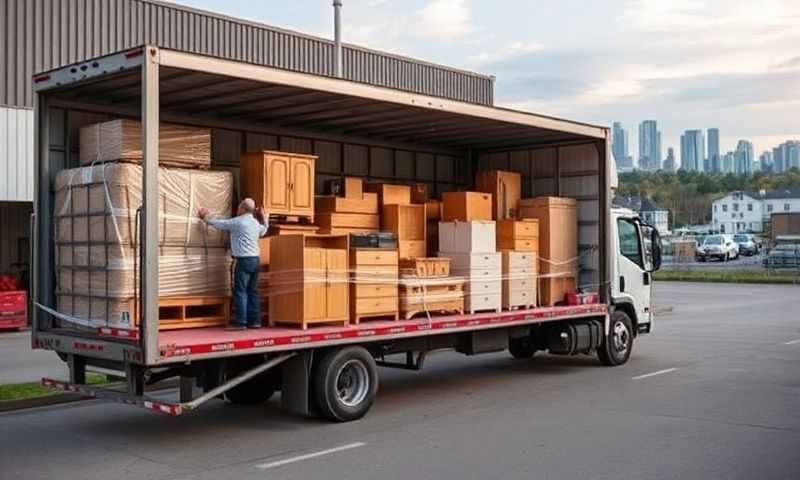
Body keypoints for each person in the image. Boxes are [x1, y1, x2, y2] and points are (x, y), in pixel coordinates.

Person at [198, 198, 268, 330]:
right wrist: (264, 217)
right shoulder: (255, 223)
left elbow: (220, 224)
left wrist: (205, 218)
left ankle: (241, 322)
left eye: (240, 206)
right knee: (252, 291)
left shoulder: (238, 222)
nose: (237, 208)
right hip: (255, 260)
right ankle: (255, 321)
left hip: (244, 261)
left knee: (240, 291)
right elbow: (264, 230)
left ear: (243, 208)